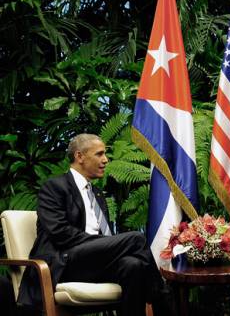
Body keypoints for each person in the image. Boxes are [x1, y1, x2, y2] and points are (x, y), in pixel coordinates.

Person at [17, 134, 172, 316]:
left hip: (94, 263)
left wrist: (105, 245)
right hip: (65, 262)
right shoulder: (54, 187)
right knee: (136, 238)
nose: (105, 160)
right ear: (79, 156)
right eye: (99, 154)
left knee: (133, 266)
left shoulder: (97, 194)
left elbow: (104, 237)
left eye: (105, 154)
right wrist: (101, 243)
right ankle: (164, 303)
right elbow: (60, 233)